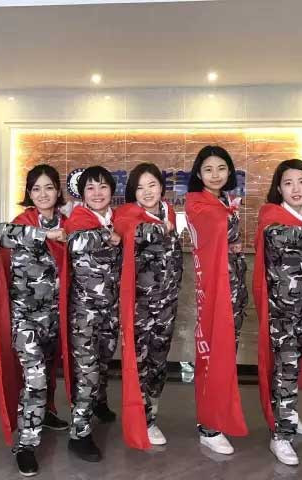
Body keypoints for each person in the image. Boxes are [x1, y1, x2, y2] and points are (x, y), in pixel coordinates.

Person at [0, 164, 70, 476]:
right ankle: (26, 445)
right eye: (36, 188)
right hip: (25, 319)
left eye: (49, 187)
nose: (43, 194)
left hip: (56, 317)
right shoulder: (21, 223)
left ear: (58, 191)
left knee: (48, 374)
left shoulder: (69, 224)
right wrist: (45, 235)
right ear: (29, 193)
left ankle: (46, 413)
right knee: (35, 378)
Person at [252, 159, 302, 465]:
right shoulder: (271, 214)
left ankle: (289, 416)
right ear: (278, 188)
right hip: (281, 310)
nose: (296, 188)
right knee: (286, 367)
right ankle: (281, 436)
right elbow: (277, 235)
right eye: (288, 183)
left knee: (292, 366)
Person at [114, 163, 183, 448]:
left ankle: (152, 410)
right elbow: (132, 231)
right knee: (140, 364)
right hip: (140, 308)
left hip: (167, 305)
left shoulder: (169, 212)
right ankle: (144, 420)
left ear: (161, 187)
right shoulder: (127, 215)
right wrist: (160, 228)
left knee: (158, 363)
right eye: (140, 187)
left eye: (152, 185)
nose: (147, 192)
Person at [184, 146, 248, 455]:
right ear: (198, 174)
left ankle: (219, 418)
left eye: (221, 168)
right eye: (208, 169)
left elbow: (227, 240)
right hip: (214, 293)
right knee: (212, 355)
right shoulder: (198, 203)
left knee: (226, 356)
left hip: (233, 291)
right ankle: (209, 426)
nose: (215, 174)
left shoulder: (224, 201)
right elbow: (216, 232)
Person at [63, 166, 121, 462]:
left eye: (103, 187)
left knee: (104, 360)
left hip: (111, 309)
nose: (97, 193)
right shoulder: (79, 218)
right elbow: (74, 243)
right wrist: (107, 236)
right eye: (90, 188)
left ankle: (99, 402)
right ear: (82, 194)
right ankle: (79, 435)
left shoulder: (117, 218)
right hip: (84, 311)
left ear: (112, 191)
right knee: (87, 371)